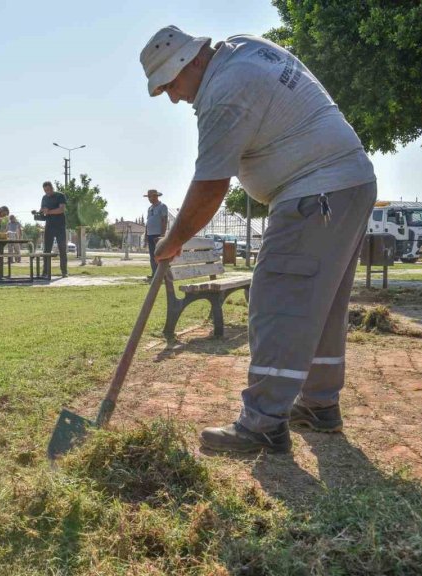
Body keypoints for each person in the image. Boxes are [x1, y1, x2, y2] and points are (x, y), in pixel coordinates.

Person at [142, 26, 377, 454]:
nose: (174, 98)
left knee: (275, 301)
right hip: (348, 182)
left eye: (170, 85)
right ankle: (319, 405)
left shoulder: (224, 93)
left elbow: (210, 186)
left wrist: (172, 240)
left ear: (191, 62)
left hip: (315, 192)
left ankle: (263, 422)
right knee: (322, 305)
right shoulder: (244, 48)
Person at [40, 182, 68, 277]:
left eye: (48, 189)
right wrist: (41, 211)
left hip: (60, 226)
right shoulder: (44, 198)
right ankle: (45, 272)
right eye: (45, 190)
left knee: (62, 249)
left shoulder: (60, 196)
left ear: (52, 188)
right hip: (49, 226)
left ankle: (64, 271)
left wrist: (49, 212)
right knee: (46, 249)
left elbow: (61, 209)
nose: (47, 192)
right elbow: (43, 209)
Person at [144, 189, 168, 276]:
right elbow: (147, 222)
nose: (149, 199)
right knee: (152, 256)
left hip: (158, 235)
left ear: (155, 196)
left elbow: (164, 220)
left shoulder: (162, 206)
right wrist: (146, 235)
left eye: (150, 197)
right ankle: (154, 274)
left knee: (159, 255)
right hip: (150, 235)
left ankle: (161, 275)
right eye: (148, 197)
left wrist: (162, 234)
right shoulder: (149, 208)